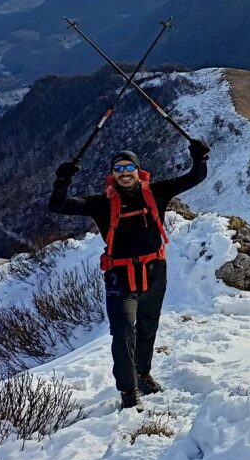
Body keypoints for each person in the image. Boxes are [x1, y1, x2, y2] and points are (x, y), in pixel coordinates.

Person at [49, 140, 210, 410]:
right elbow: (59, 206)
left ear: (138, 169)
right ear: (112, 174)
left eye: (129, 167)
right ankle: (128, 389)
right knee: (123, 332)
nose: (124, 173)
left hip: (154, 270)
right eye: (118, 169)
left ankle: (143, 375)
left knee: (148, 326)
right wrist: (62, 182)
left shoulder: (157, 192)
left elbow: (195, 177)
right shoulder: (101, 203)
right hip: (120, 275)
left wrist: (200, 157)